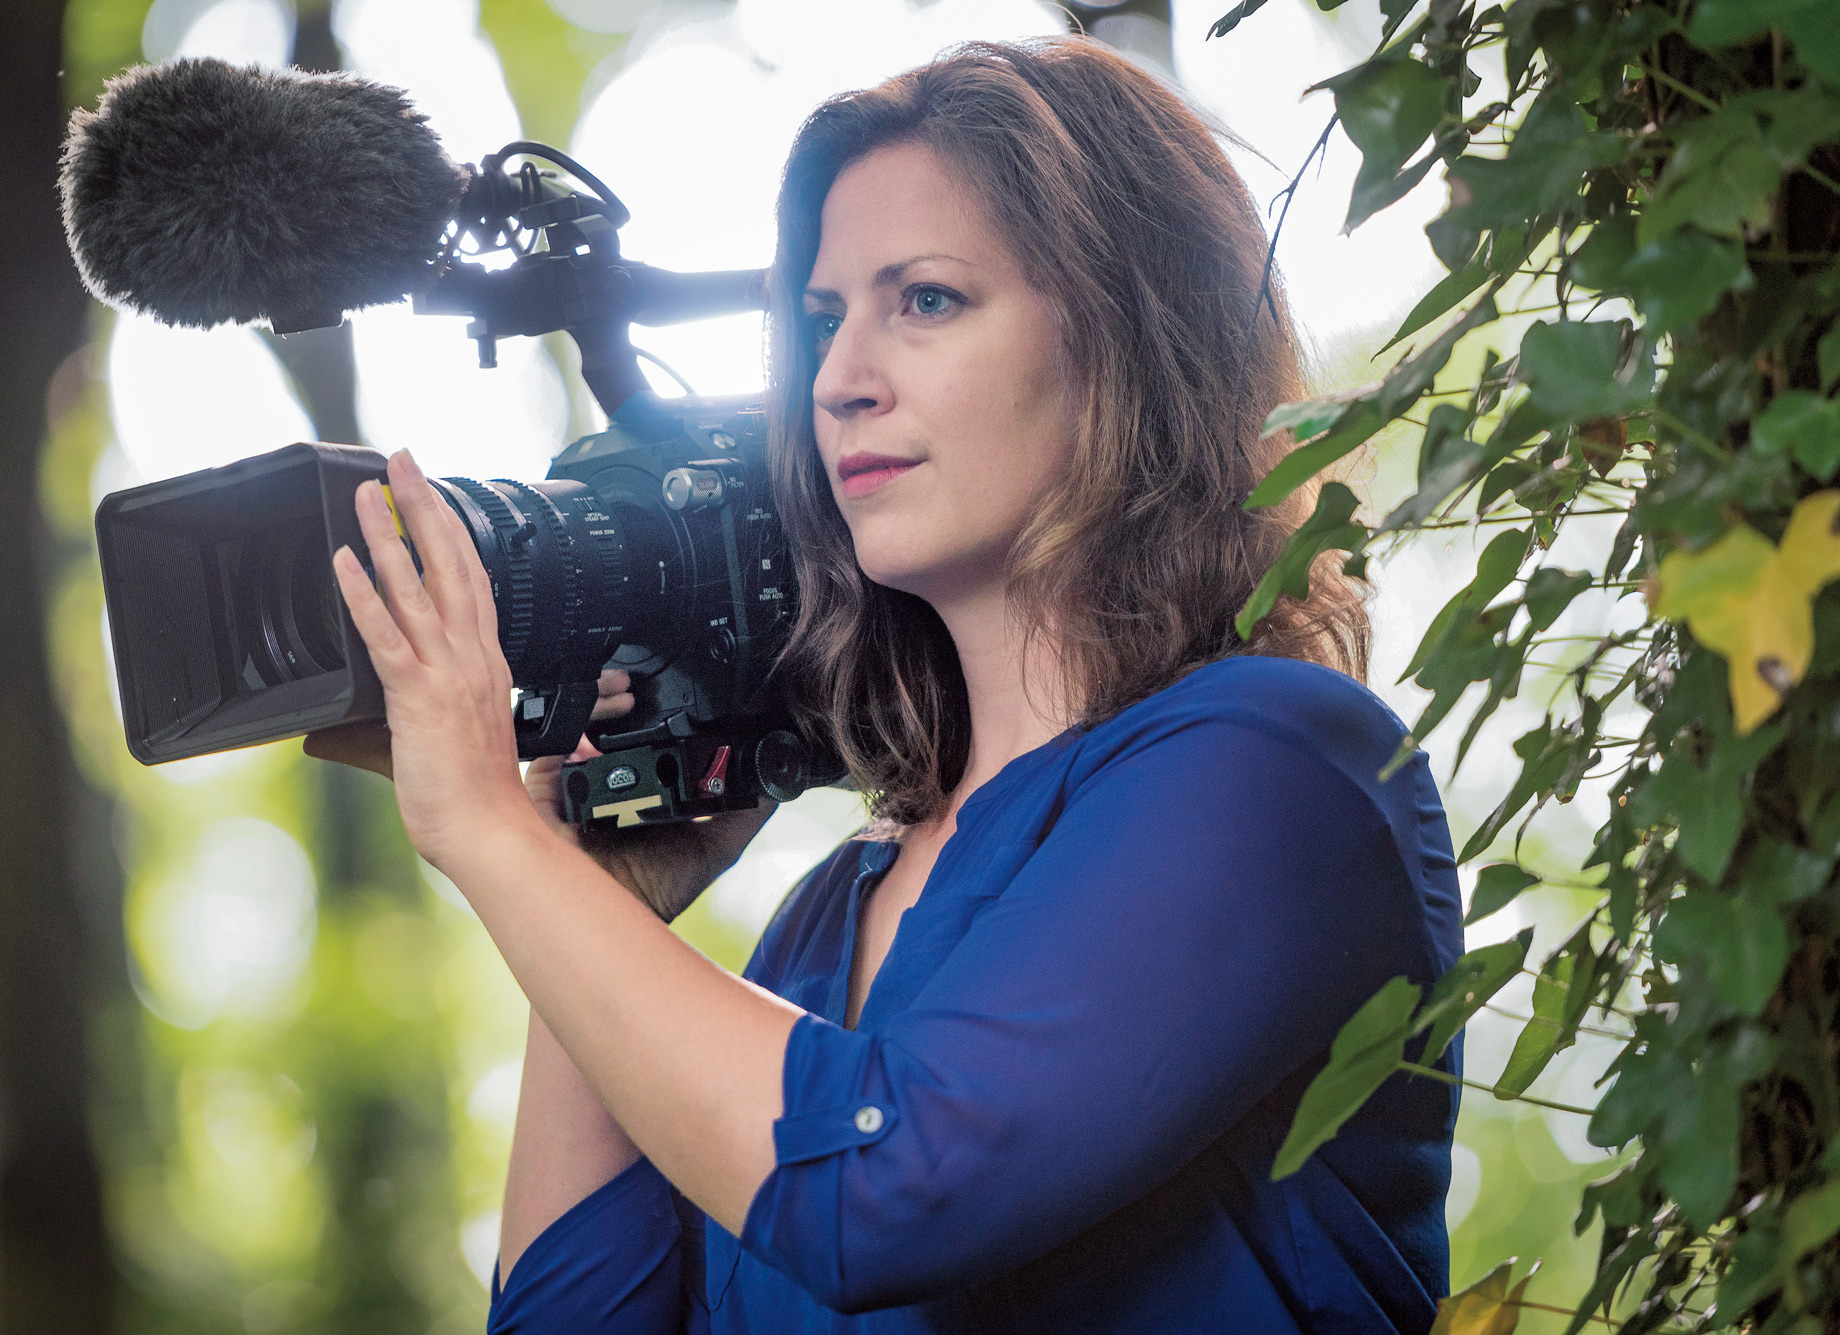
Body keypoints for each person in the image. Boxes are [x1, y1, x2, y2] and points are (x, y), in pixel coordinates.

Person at [306, 36, 1464, 1334]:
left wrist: (485, 833)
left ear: (1130, 336)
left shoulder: (1285, 768)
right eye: (822, 320)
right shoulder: (818, 924)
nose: (840, 379)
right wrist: (594, 891)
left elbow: (886, 1189)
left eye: (923, 300)